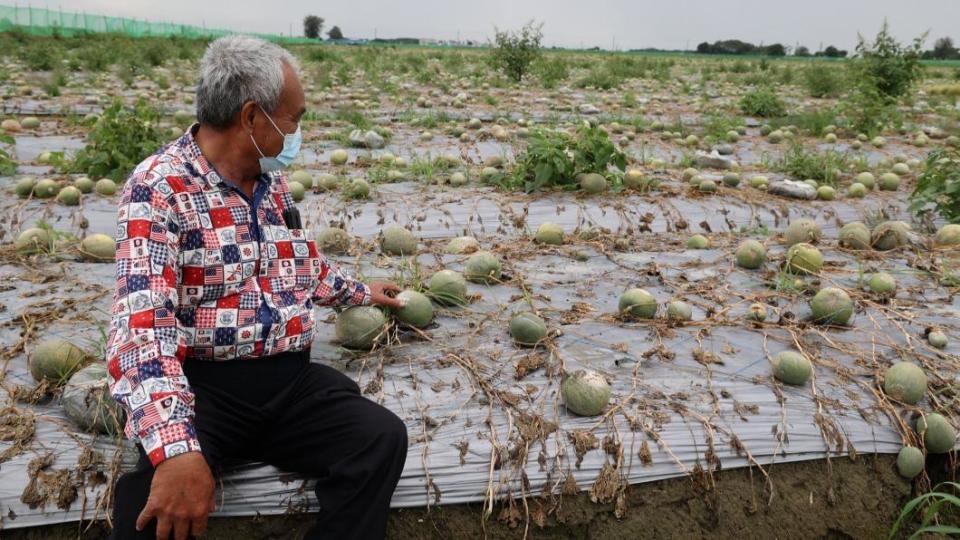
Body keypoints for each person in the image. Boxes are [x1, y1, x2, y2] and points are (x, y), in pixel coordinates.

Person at [105, 35, 408, 540]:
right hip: (208, 391)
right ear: (252, 118)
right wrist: (176, 451)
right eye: (294, 118)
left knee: (379, 439)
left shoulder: (271, 184)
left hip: (288, 385)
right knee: (150, 511)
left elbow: (299, 266)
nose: (297, 132)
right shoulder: (159, 189)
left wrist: (359, 292)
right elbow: (142, 327)